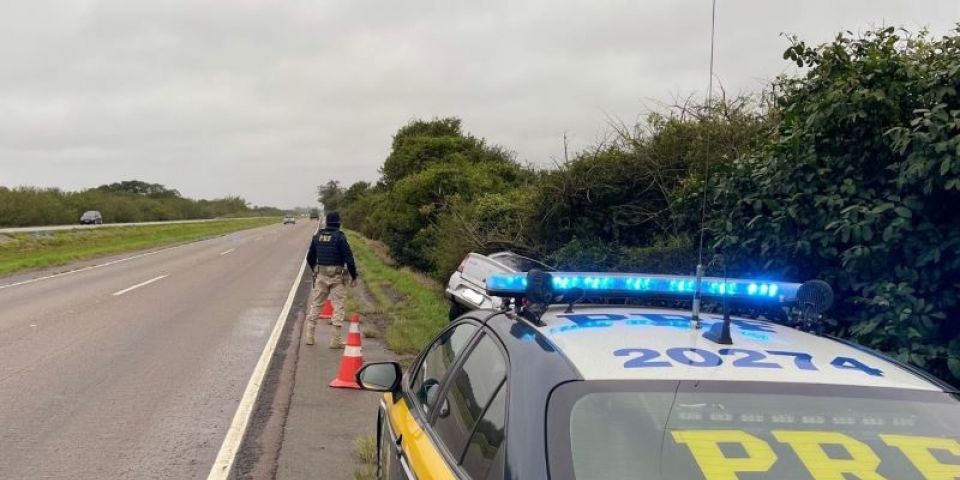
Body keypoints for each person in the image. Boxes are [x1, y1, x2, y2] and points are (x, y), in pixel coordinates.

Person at [305, 211, 358, 348]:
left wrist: (315, 269)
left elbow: (310, 257)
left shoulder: (317, 237)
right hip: (337, 277)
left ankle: (309, 336)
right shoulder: (340, 237)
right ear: (338, 223)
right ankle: (335, 341)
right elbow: (349, 259)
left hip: (321, 274)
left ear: (327, 222)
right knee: (338, 306)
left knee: (316, 305)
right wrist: (354, 276)